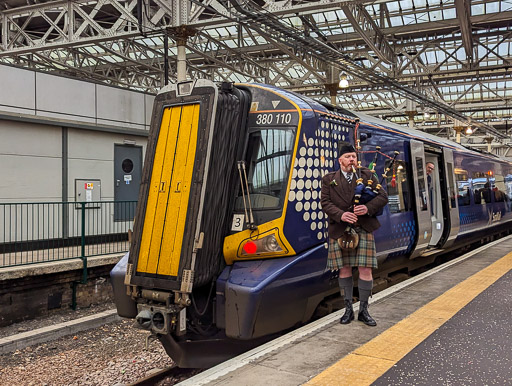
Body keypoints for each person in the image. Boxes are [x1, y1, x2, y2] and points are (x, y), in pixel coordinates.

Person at [321, 142, 388, 326]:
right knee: (344, 269)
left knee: (365, 269)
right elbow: (325, 203)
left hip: (363, 227)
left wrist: (367, 208)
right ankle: (348, 309)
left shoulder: (366, 174)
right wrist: (341, 214)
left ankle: (364, 310)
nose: (352, 160)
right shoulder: (329, 179)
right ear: (340, 160)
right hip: (340, 229)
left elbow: (383, 197)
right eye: (348, 157)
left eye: (354, 157)